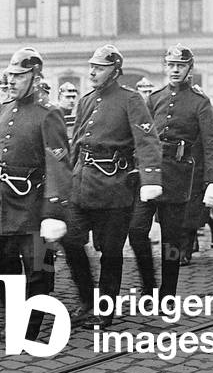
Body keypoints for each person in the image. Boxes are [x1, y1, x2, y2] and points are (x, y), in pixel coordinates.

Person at [61, 45, 162, 330]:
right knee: (70, 241)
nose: (92, 72)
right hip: (81, 184)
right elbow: (75, 143)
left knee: (111, 251)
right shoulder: (86, 100)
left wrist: (151, 180)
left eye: (100, 67)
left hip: (114, 187)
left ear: (115, 71)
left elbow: (147, 141)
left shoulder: (131, 100)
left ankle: (105, 306)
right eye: (91, 66)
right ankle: (87, 299)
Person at [0, 47, 72, 340]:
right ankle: (16, 312)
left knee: (38, 269)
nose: (12, 81)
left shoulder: (49, 114)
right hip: (0, 199)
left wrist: (53, 213)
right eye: (10, 76)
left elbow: (58, 165)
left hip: (33, 203)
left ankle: (28, 329)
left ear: (35, 76)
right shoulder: (4, 109)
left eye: (19, 76)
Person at [132, 45, 213, 296]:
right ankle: (148, 284)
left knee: (172, 240)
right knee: (136, 229)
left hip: (178, 178)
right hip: (150, 176)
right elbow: (142, 137)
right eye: (170, 65)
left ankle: (167, 291)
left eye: (180, 66)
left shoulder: (200, 103)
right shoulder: (155, 98)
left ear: (189, 69)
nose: (174, 70)